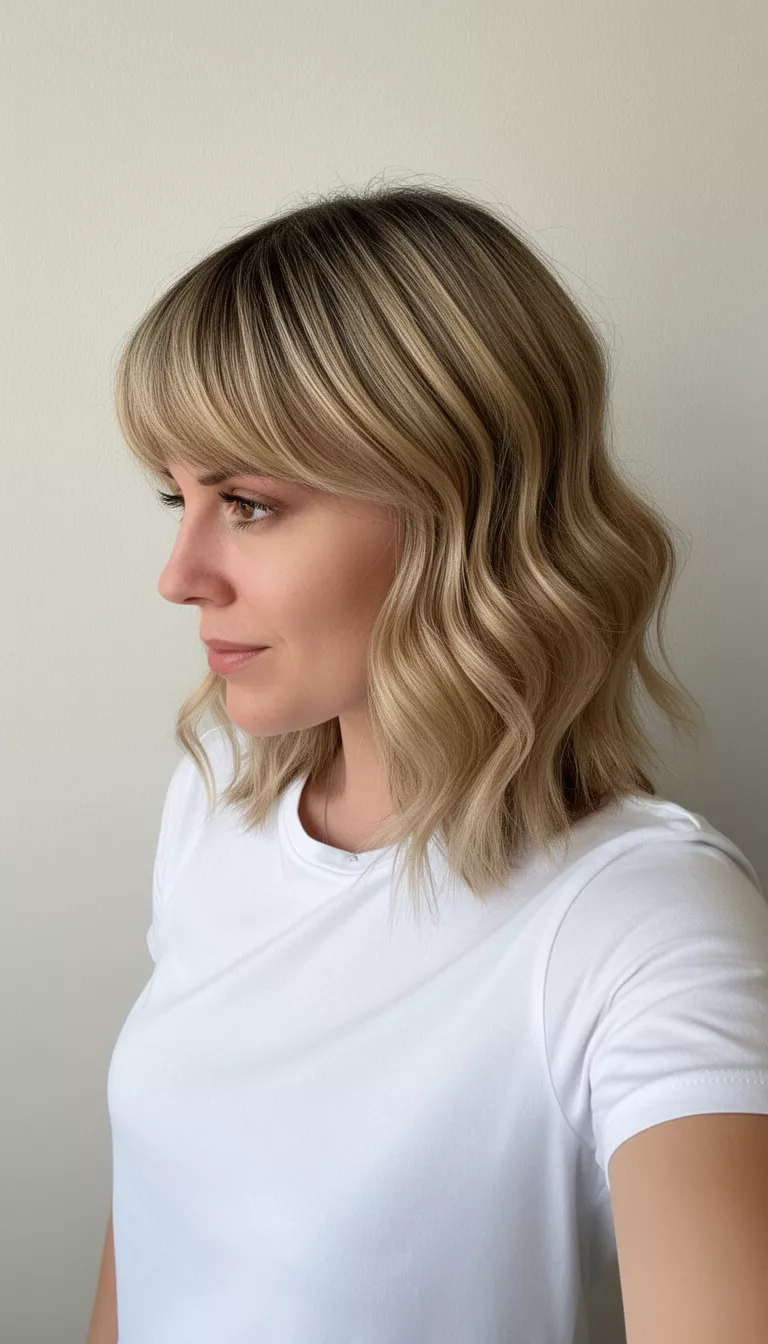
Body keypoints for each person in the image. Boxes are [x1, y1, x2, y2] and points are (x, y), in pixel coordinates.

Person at [90, 181, 768, 1344]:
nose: (180, 572)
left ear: (459, 506)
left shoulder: (641, 921)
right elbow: (158, 1225)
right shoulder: (216, 792)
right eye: (177, 495)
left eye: (248, 503)